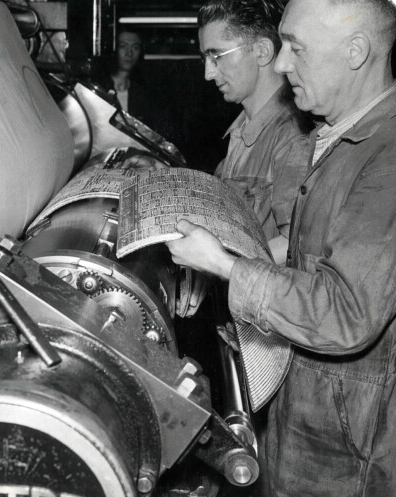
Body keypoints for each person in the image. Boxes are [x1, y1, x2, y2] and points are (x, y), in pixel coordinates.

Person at [165, 0, 396, 495]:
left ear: (356, 51)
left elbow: (346, 313)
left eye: (295, 48)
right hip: (303, 426)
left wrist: (224, 265)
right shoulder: (335, 141)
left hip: (347, 454)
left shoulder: (385, 159)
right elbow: (306, 260)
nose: (283, 64)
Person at [198, 0, 311, 264]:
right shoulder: (242, 129)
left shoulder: (292, 137)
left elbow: (293, 247)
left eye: (217, 56)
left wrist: (217, 264)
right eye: (205, 57)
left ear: (261, 51)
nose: (208, 73)